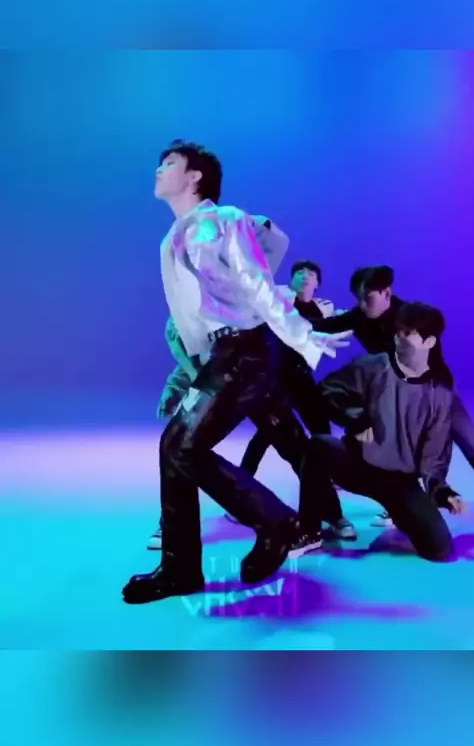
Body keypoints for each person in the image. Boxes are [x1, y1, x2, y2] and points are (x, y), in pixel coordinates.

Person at [122, 140, 350, 604]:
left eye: (169, 163)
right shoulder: (176, 236)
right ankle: (181, 570)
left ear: (194, 177)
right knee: (189, 447)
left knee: (181, 446)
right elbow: (198, 313)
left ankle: (275, 522)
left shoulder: (222, 220)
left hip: (246, 351)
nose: (159, 170)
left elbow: (258, 284)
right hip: (227, 353)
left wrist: (303, 334)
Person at [146, 214, 296, 551]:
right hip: (220, 379)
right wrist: (174, 391)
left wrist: (258, 223)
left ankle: (308, 520)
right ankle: (173, 535)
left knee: (289, 441)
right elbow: (188, 360)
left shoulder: (245, 282)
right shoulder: (185, 312)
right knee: (179, 447)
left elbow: (277, 245)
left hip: (251, 372)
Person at [291, 302, 466, 560]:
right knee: (319, 446)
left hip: (400, 483)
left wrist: (441, 490)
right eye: (399, 330)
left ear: (429, 342)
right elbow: (327, 390)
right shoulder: (373, 366)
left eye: (408, 333)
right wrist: (355, 420)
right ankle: (309, 529)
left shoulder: (438, 391)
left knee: (439, 550)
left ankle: (401, 514)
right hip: (358, 466)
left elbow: (435, 451)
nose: (398, 336)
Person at [320, 265, 474, 527]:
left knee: (472, 445)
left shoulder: (411, 317)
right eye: (358, 298)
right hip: (395, 394)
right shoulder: (360, 316)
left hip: (433, 393)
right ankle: (398, 502)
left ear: (386, 293)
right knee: (391, 441)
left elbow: (432, 361)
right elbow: (325, 326)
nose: (362, 305)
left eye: (367, 297)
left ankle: (410, 499)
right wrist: (286, 312)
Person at [228, 258, 356, 540]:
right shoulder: (279, 300)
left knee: (320, 431)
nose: (304, 277)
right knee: (266, 435)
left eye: (310, 273)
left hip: (301, 377)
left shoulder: (324, 308)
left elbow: (345, 321)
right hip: (275, 378)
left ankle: (330, 485)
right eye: (299, 272)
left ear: (317, 283)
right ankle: (240, 488)